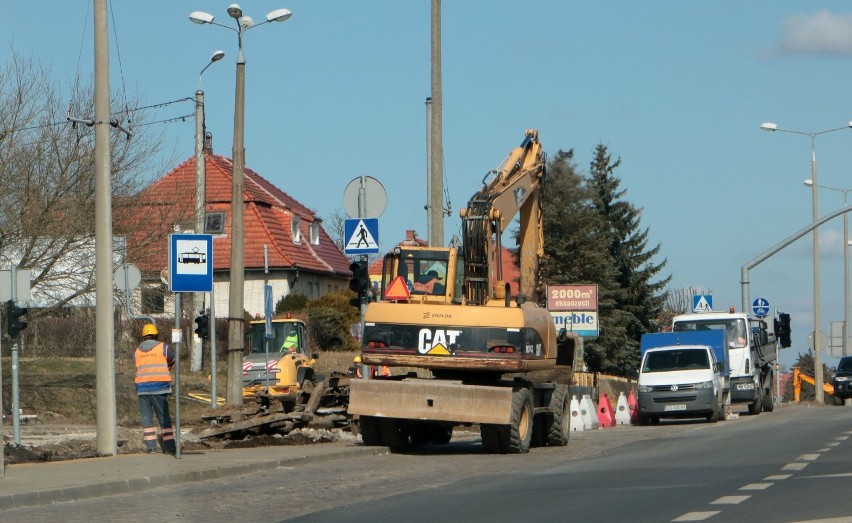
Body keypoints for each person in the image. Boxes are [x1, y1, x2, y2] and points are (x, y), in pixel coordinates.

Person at [133, 323, 176, 455]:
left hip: (142, 389)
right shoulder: (163, 347)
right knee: (164, 419)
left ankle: (151, 447)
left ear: (143, 337)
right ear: (156, 335)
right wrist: (166, 369)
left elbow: (137, 365)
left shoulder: (137, 351)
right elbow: (172, 359)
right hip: (159, 388)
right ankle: (169, 447)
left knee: (147, 420)